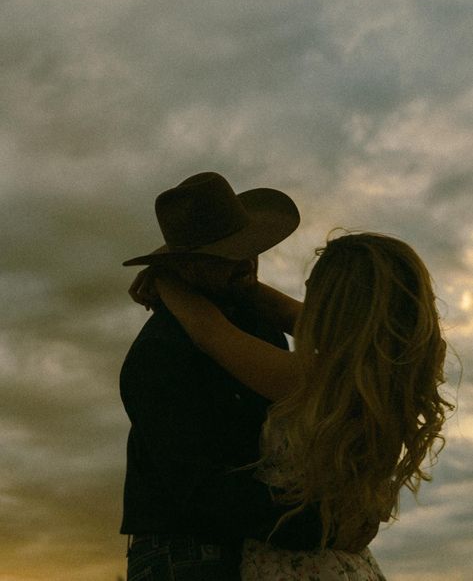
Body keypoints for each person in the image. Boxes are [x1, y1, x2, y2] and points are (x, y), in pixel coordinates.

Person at [131, 231, 454, 580]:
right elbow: (296, 315)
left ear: (335, 305)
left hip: (298, 565)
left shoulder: (307, 379)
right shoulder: (380, 380)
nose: (301, 295)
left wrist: (165, 278)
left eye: (313, 289)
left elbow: (209, 332)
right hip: (340, 564)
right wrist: (243, 281)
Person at [120, 173, 379, 581]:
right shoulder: (162, 351)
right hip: (187, 555)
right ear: (187, 264)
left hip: (248, 546)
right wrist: (320, 524)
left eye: (248, 249)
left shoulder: (259, 328)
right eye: (222, 255)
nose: (245, 263)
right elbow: (198, 490)